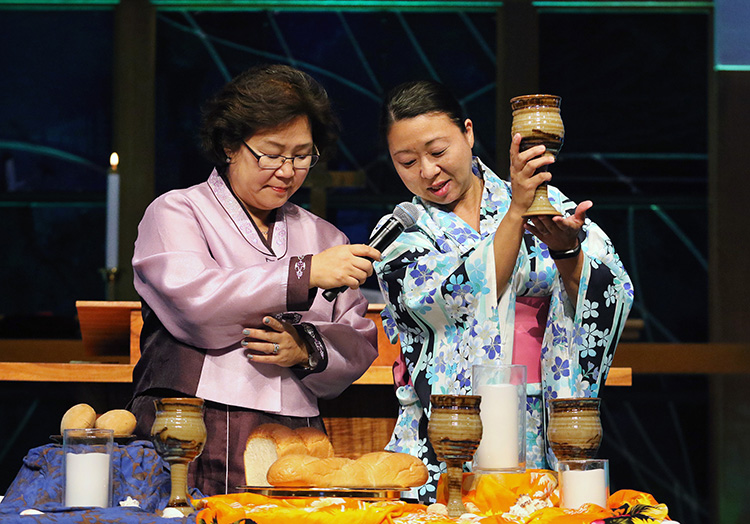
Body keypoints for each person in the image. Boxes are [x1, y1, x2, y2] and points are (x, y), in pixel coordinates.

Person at [373, 80, 634, 501]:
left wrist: (568, 251)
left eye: (438, 152)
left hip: (544, 426)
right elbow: (462, 297)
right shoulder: (403, 238)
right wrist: (516, 211)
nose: (426, 171)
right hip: (451, 441)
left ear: (469, 133)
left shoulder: (548, 203)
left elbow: (611, 294)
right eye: (406, 161)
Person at [128, 64, 380, 496]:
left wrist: (305, 349)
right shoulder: (177, 212)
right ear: (229, 144)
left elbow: (358, 339)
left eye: (302, 156)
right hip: (193, 421)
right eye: (271, 153)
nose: (286, 171)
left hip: (296, 433)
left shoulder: (324, 235)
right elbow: (198, 305)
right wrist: (305, 272)